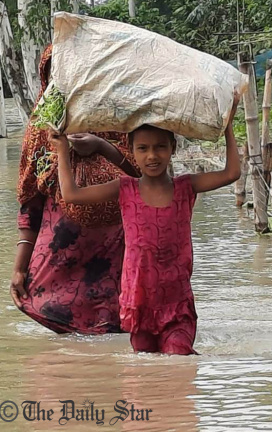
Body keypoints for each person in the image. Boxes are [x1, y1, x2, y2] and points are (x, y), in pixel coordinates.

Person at [50, 97, 241, 355]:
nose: (152, 155)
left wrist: (228, 123)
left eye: (160, 147)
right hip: (139, 303)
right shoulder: (125, 189)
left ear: (173, 148)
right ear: (132, 151)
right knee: (145, 373)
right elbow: (72, 194)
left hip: (177, 306)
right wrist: (62, 150)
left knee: (178, 359)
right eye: (143, 148)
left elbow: (231, 173)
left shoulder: (186, 187)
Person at [12, 45, 140, 335]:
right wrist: (19, 267)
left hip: (116, 254)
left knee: (116, 334)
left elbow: (148, 177)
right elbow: (30, 199)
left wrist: (101, 146)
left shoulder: (121, 116)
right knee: (65, 354)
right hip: (59, 261)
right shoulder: (41, 126)